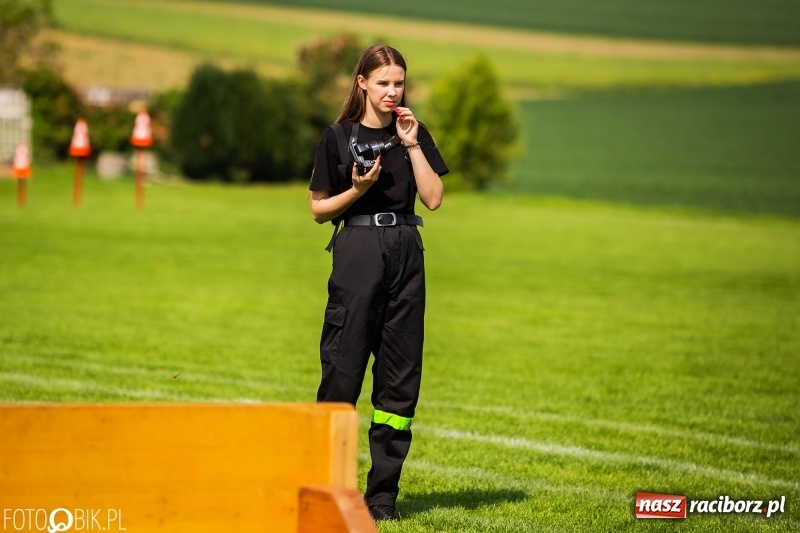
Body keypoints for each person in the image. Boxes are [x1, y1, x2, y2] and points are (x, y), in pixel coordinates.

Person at [308, 43, 448, 521]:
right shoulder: (338, 136)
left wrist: (411, 143)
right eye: (383, 82)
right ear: (362, 83)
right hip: (358, 253)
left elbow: (433, 199)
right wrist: (358, 190)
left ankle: (383, 495)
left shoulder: (415, 132)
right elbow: (318, 210)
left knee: (399, 379)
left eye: (399, 83)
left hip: (407, 250)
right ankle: (330, 486)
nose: (393, 91)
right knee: (343, 371)